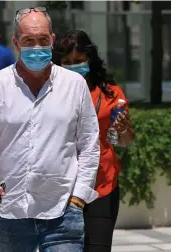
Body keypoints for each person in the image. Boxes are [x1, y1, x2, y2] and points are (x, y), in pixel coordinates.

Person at [0, 8, 100, 252]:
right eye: (29, 41)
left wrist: (78, 197)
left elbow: (89, 144)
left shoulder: (75, 85)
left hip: (62, 212)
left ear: (52, 40)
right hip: (11, 211)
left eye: (42, 40)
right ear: (16, 43)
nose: (37, 47)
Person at [53, 30, 135, 252]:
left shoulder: (110, 94)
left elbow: (125, 141)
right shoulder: (49, 93)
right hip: (61, 188)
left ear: (90, 59)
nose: (73, 66)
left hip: (102, 185)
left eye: (79, 61)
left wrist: (123, 128)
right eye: (67, 62)